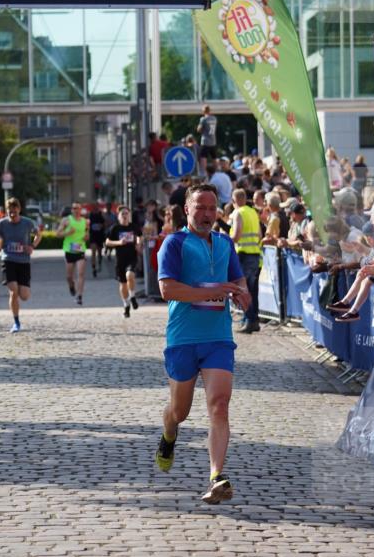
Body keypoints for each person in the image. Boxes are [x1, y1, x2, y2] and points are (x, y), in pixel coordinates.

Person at [156, 183, 251, 504]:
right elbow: (167, 290)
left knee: (219, 404)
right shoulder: (174, 243)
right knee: (179, 412)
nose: (207, 213)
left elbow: (237, 279)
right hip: (183, 337)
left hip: (218, 338)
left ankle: (216, 476)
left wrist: (242, 292)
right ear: (187, 210)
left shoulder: (225, 243)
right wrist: (210, 292)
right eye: (200, 207)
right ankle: (169, 435)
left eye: (212, 208)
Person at [0, 197, 41, 332]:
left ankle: (20, 293)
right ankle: (16, 323)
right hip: (8, 259)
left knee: (24, 296)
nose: (12, 214)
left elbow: (38, 235)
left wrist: (32, 246)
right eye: (9, 212)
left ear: (19, 209)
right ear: (6, 211)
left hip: (23, 261)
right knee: (13, 291)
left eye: (14, 211)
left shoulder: (27, 223)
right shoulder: (2, 223)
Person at [230, 187, 262, 334]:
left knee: (244, 290)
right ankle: (253, 320)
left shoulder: (238, 213)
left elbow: (236, 235)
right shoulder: (253, 212)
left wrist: (225, 242)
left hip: (243, 254)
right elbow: (259, 235)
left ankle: (249, 320)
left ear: (234, 200)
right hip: (255, 255)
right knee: (252, 290)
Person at [105, 205, 142, 318]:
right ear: (119, 216)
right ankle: (126, 305)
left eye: (127, 214)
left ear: (129, 215)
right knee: (123, 284)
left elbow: (139, 236)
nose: (125, 216)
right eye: (123, 214)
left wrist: (139, 244)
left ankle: (133, 297)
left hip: (132, 257)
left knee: (130, 275)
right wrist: (119, 243)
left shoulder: (134, 227)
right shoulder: (115, 228)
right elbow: (107, 242)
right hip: (120, 259)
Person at [57, 203, 89, 305]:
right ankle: (71, 286)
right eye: (73, 208)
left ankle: (79, 296)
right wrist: (67, 233)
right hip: (69, 250)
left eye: (77, 208)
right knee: (69, 277)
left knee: (80, 274)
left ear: (81, 209)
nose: (75, 210)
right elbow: (57, 234)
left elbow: (87, 233)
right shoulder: (66, 220)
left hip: (80, 250)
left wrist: (86, 237)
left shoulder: (85, 221)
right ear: (71, 210)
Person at [196, 104, 218, 175]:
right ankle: (216, 171)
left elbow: (199, 129)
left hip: (205, 141)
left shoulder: (203, 119)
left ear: (203, 111)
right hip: (213, 141)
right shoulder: (214, 118)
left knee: (203, 157)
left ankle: (204, 173)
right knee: (214, 157)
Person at [88, 203, 107, 278]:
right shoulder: (90, 215)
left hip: (100, 236)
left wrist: (101, 225)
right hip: (93, 236)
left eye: (96, 206)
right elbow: (87, 224)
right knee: (93, 252)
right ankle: (93, 268)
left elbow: (105, 223)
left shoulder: (101, 214)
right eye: (94, 206)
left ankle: (99, 263)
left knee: (99, 252)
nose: (95, 208)